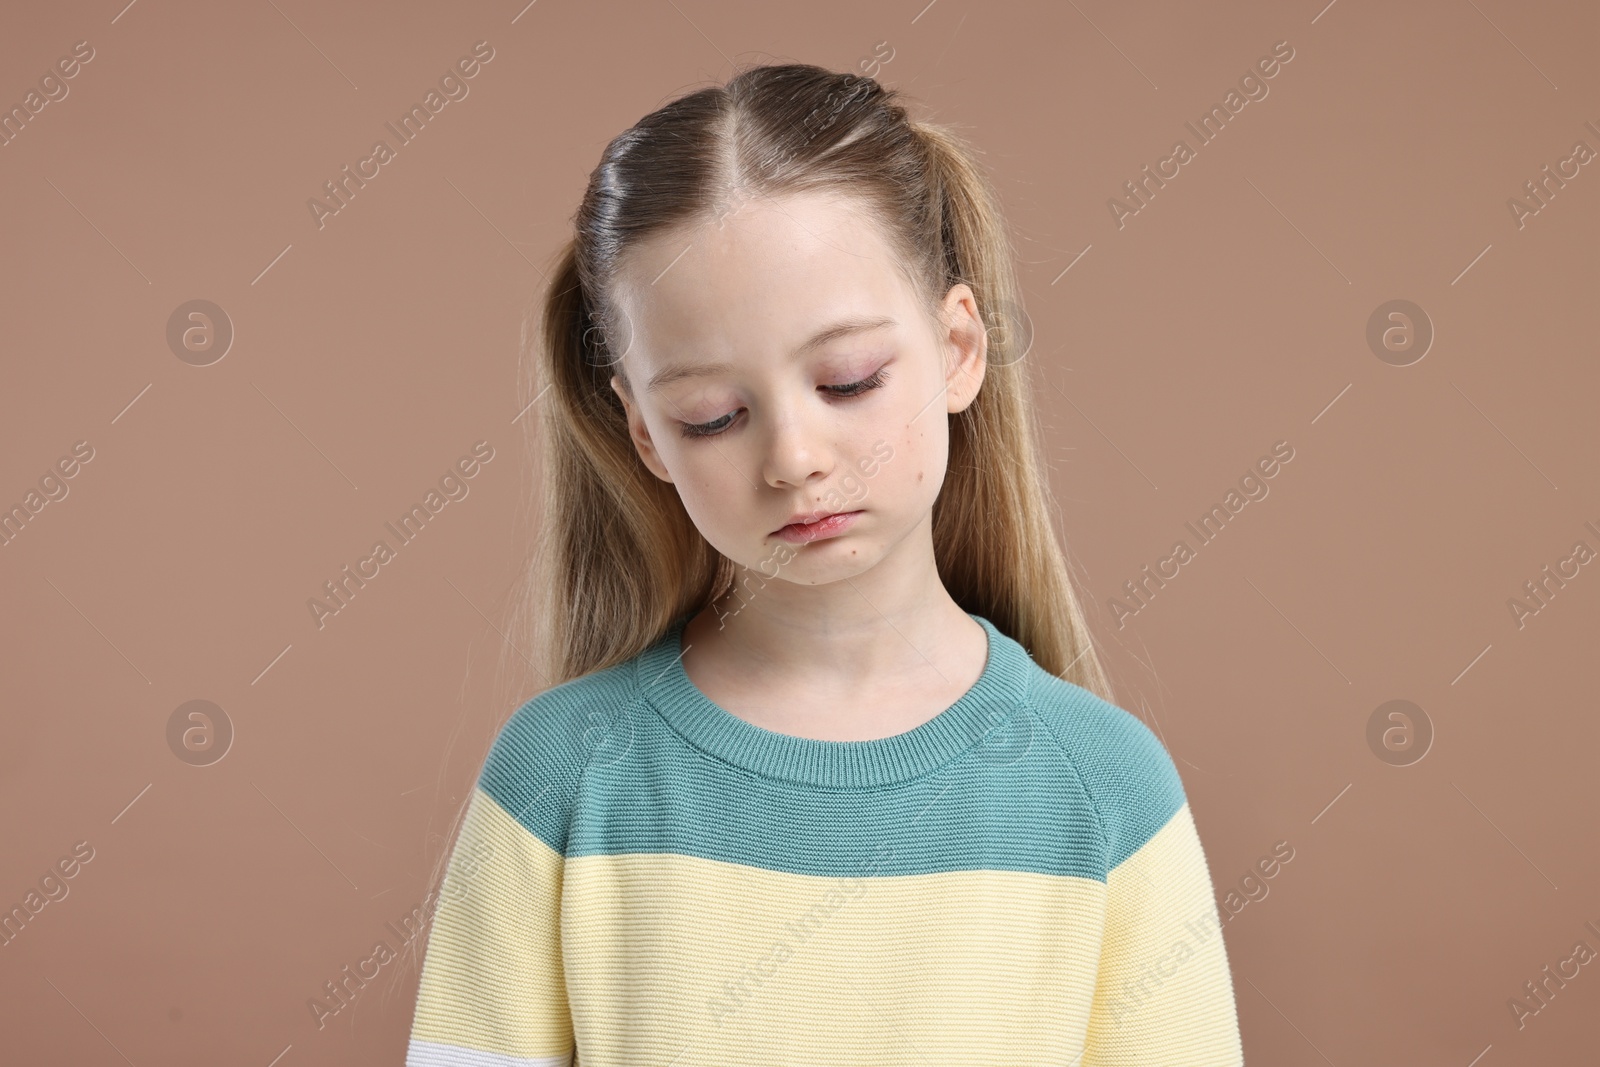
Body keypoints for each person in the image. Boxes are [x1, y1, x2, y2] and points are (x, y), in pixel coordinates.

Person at [404, 62, 1243, 1066]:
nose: (792, 457)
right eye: (711, 415)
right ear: (642, 434)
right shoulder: (559, 780)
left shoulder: (1104, 790)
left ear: (959, 348)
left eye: (847, 380)